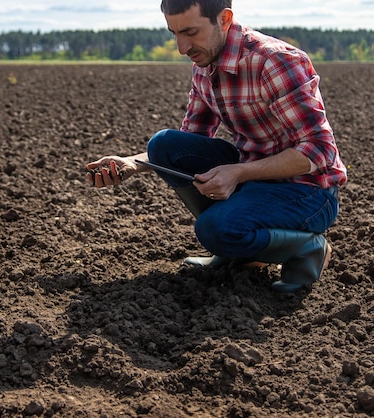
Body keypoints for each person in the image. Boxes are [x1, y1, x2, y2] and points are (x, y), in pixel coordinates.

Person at [86, 0, 347, 292]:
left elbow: (320, 150)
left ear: (224, 19)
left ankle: (306, 248)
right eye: (174, 34)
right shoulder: (204, 63)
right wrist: (134, 162)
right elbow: (190, 139)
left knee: (213, 228)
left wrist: (239, 173)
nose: (182, 47)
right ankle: (237, 244)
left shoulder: (275, 62)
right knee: (165, 145)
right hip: (253, 176)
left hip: (307, 191)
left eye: (191, 32)